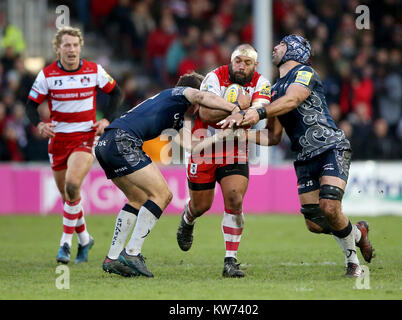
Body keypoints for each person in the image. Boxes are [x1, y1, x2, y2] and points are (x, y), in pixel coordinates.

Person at [222, 35, 375, 277]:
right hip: (304, 157)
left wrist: (257, 111)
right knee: (314, 223)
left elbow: (294, 99)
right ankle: (358, 234)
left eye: (281, 44)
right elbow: (273, 137)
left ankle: (353, 264)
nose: (274, 47)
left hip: (330, 147)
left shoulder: (305, 72)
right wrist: (242, 135)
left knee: (329, 206)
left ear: (294, 49)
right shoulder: (272, 90)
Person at [95, 72, 250, 277]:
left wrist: (221, 136)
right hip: (123, 141)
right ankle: (132, 252)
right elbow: (203, 97)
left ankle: (113, 258)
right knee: (163, 195)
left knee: (138, 198)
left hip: (106, 143)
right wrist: (236, 109)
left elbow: (192, 147)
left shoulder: (175, 116)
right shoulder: (179, 93)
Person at [25, 26, 123, 264]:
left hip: (86, 137)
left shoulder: (94, 71)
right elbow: (30, 105)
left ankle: (65, 245)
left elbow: (116, 93)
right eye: (66, 45)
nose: (71, 49)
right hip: (58, 141)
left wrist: (106, 119)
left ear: (80, 47)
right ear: (58, 49)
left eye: (75, 45)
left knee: (71, 185)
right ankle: (86, 239)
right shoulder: (47, 75)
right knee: (70, 195)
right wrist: (39, 124)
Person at [176, 44, 271, 278]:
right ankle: (187, 219)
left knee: (234, 199)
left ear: (255, 66)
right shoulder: (214, 77)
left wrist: (244, 111)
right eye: (238, 61)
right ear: (231, 60)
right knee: (201, 206)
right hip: (204, 147)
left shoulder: (262, 83)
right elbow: (206, 114)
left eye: (247, 63)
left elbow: (258, 112)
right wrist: (239, 107)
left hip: (234, 148)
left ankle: (231, 260)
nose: (242, 66)